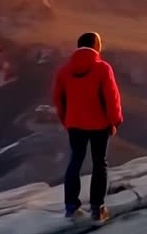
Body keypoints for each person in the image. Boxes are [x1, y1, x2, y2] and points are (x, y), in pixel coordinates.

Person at [52, 31, 123, 223]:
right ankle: (97, 210)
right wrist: (114, 121)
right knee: (100, 163)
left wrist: (66, 121)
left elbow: (59, 100)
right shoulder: (103, 68)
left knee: (75, 161)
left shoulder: (64, 71)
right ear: (95, 46)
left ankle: (71, 208)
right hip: (99, 124)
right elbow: (112, 97)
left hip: (75, 124)